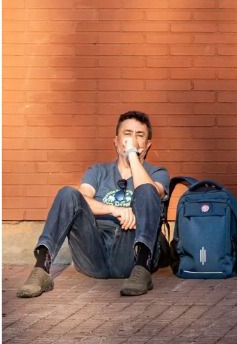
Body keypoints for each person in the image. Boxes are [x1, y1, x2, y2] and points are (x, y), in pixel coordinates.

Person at [17, 111, 171, 298]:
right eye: (127, 134)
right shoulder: (98, 171)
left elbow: (152, 194)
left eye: (140, 135)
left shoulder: (157, 173)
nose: (132, 140)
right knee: (68, 193)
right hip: (94, 251)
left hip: (129, 254)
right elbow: (81, 200)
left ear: (147, 145)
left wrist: (132, 155)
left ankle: (143, 269)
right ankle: (41, 270)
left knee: (147, 190)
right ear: (116, 141)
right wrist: (115, 210)